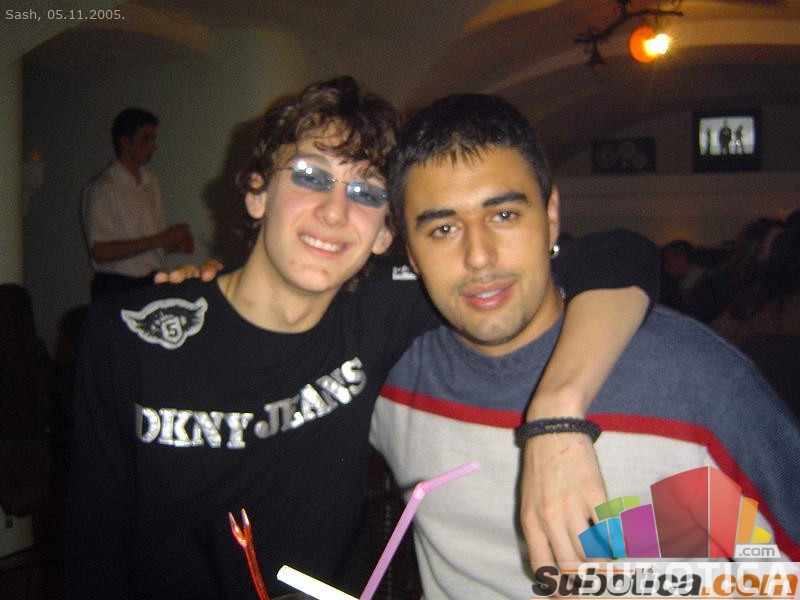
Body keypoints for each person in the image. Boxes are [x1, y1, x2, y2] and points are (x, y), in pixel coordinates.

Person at [65, 77, 657, 599]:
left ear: (383, 235)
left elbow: (618, 254)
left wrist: (556, 415)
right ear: (256, 191)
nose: (334, 211)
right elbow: (91, 545)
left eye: (366, 192)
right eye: (310, 176)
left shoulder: (382, 311)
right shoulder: (130, 336)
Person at [370, 93, 800, 600]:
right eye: (443, 229)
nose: (478, 257)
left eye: (504, 215)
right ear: (409, 251)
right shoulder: (388, 377)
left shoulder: (696, 380)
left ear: (551, 215)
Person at [82, 108, 195, 300]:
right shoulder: (103, 188)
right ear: (125, 142)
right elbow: (100, 251)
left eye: (154, 139)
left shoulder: (151, 182)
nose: (153, 146)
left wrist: (175, 244)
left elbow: (148, 245)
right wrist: (162, 239)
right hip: (118, 286)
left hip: (151, 282)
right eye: (146, 139)